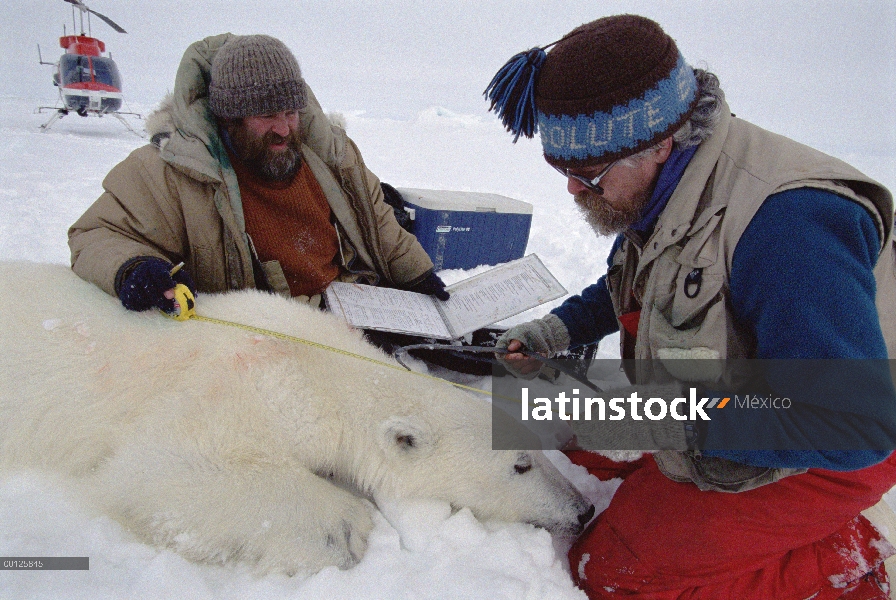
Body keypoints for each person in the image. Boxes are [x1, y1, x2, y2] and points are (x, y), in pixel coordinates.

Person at [486, 14, 896, 599]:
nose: (572, 191)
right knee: (570, 441)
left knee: (614, 573)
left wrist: (671, 419)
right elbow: (632, 285)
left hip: (833, 449)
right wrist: (557, 330)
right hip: (730, 409)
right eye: (561, 170)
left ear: (657, 143)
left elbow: (853, 423)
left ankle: (853, 547)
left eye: (586, 173)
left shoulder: (788, 226)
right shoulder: (663, 190)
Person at [69, 33, 448, 317]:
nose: (284, 129)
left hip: (354, 311)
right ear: (228, 118)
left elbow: (377, 217)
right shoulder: (169, 171)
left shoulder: (331, 155)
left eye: (291, 113)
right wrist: (134, 267)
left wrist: (417, 273)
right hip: (271, 334)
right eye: (267, 116)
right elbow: (96, 234)